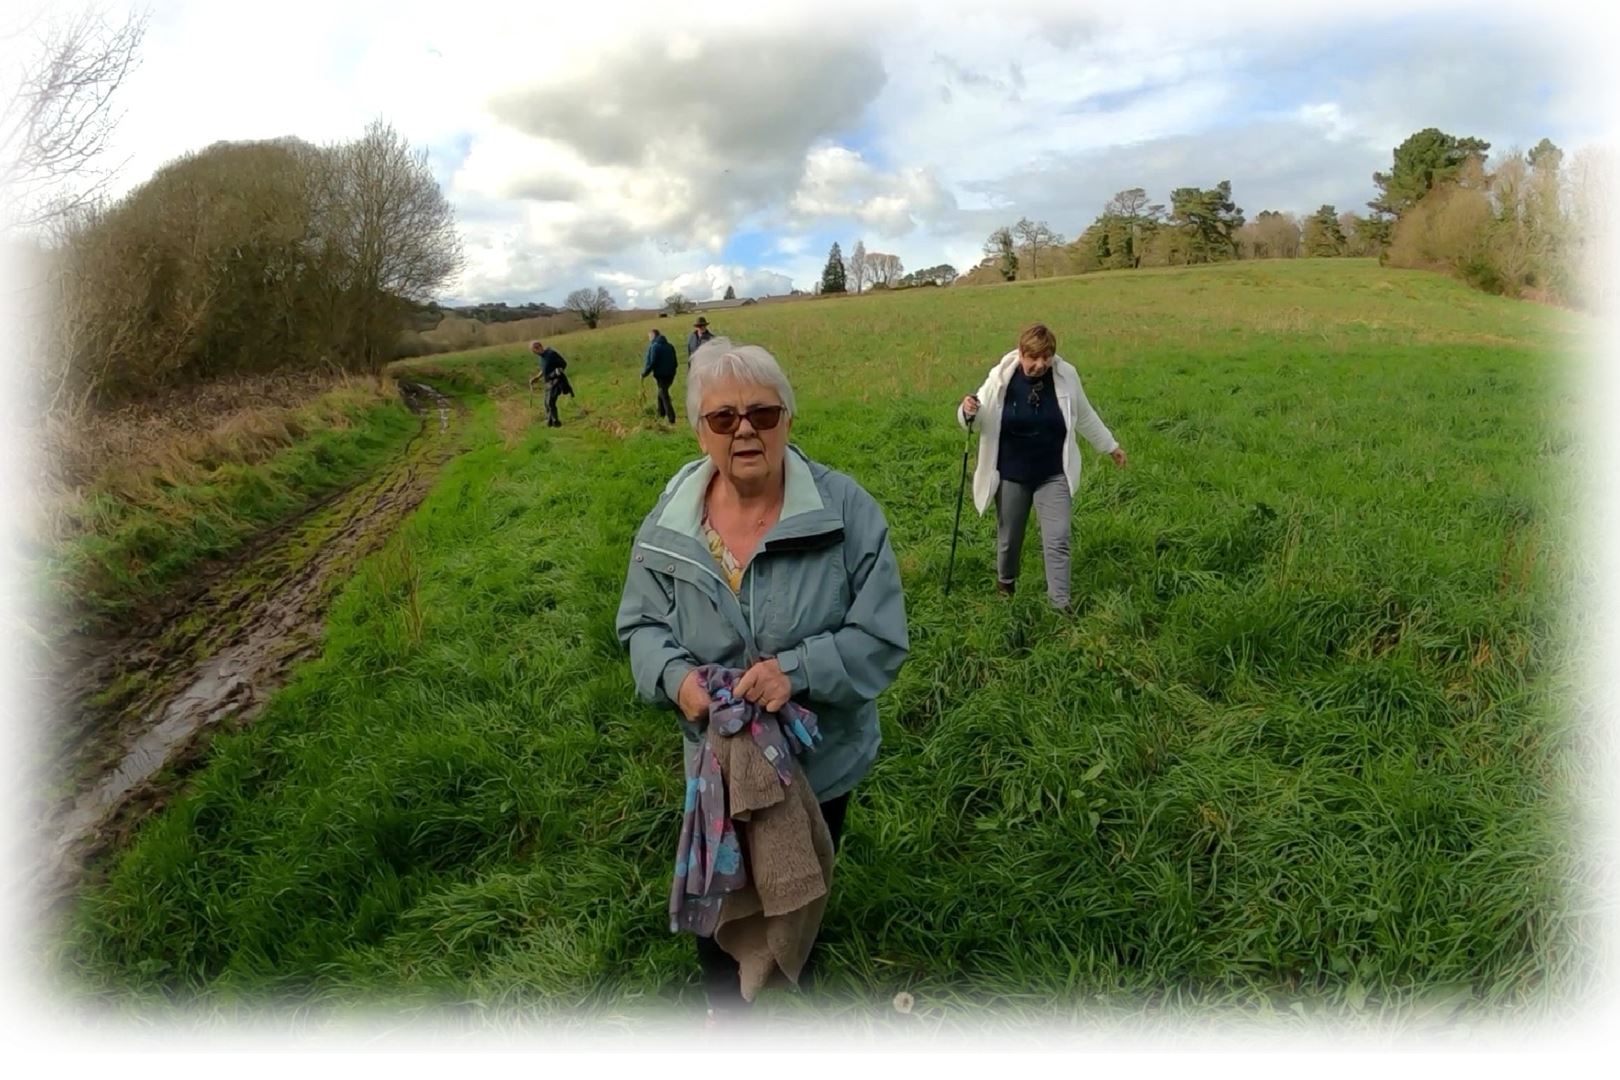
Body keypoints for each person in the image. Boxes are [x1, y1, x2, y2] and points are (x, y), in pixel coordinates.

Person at [616, 337, 909, 1022]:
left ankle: (787, 971)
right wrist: (675, 680)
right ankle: (730, 1013)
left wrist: (796, 673)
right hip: (714, 765)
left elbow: (881, 638)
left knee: (799, 880)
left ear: (787, 419)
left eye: (763, 413)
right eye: (723, 418)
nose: (745, 429)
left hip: (819, 760)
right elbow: (640, 627)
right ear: (701, 431)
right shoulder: (670, 524)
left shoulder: (846, 513)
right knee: (719, 889)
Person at [957, 323, 1127, 610]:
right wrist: (967, 411)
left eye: (1046, 358)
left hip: (1052, 473)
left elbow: (1084, 414)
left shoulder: (1066, 376)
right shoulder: (1000, 379)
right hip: (1012, 473)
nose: (1039, 364)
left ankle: (1060, 605)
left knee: (1058, 539)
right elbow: (978, 418)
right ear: (1021, 353)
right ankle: (1006, 582)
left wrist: (1110, 446)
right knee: (1010, 538)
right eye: (1033, 358)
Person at [529, 340, 572, 427]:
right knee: (546, 403)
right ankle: (550, 421)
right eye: (535, 348)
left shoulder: (551, 354)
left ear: (541, 346)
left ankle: (556, 422)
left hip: (557, 381)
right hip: (548, 382)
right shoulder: (541, 357)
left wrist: (558, 371)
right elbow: (544, 369)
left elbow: (564, 363)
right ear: (533, 351)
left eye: (538, 346)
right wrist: (537, 377)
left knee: (550, 402)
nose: (538, 349)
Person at [642, 328, 679, 423]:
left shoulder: (654, 347)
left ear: (653, 336)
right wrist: (672, 371)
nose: (649, 339)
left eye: (649, 336)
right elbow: (675, 362)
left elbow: (652, 362)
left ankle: (671, 418)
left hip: (661, 375)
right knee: (661, 393)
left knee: (664, 394)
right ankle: (661, 414)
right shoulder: (670, 346)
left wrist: (644, 373)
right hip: (671, 375)